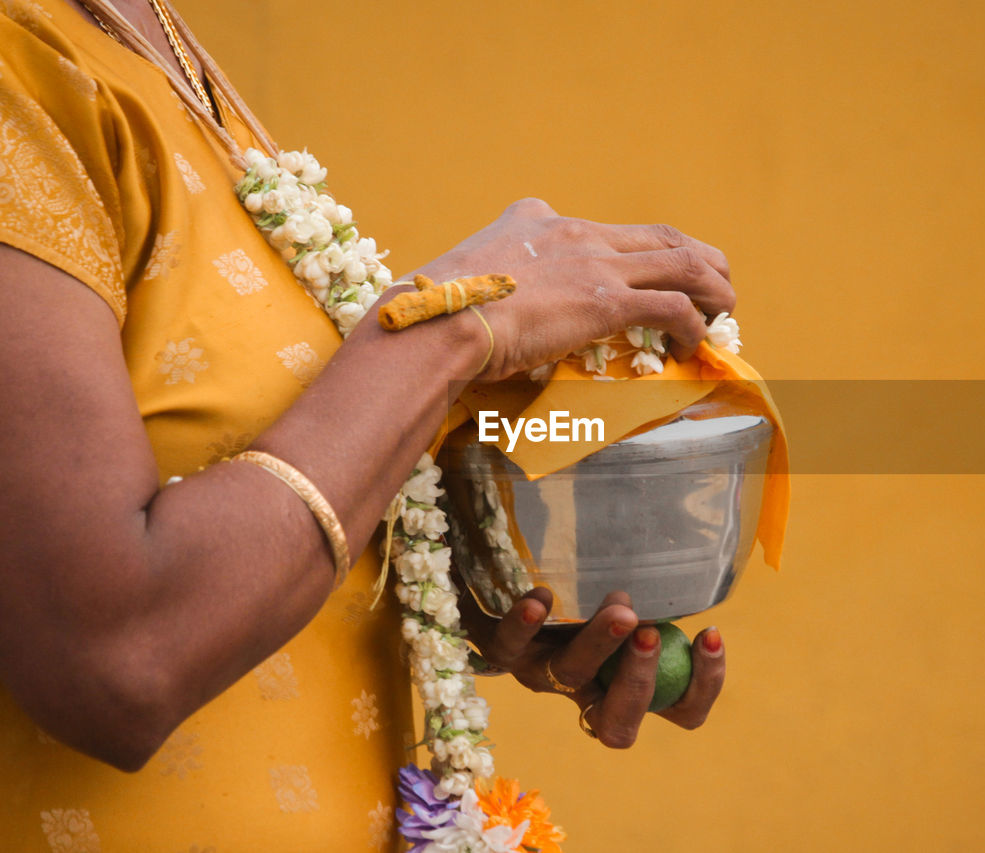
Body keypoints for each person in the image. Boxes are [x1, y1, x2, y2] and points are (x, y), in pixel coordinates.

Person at [0, 0, 733, 847]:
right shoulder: (23, 65)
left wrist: (493, 601)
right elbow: (113, 661)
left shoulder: (150, 38)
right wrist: (455, 323)